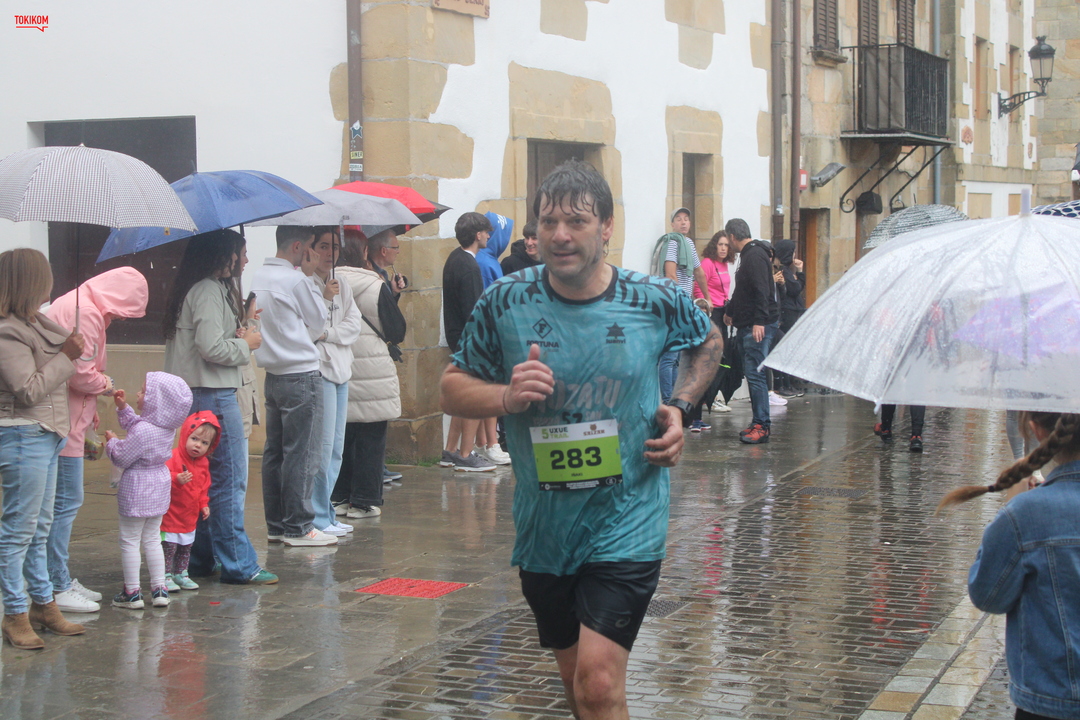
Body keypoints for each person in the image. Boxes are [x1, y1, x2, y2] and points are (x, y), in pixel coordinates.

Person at [441, 160, 722, 720]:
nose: (560, 235)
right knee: (579, 686)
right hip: (545, 529)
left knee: (597, 682)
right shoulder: (506, 301)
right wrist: (506, 396)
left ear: (607, 227)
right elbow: (452, 387)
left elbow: (708, 340)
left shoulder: (651, 297)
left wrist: (681, 407)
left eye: (577, 221)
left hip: (629, 517)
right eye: (548, 222)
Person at [940, 412, 1080, 720]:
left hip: (1054, 698)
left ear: (1036, 430)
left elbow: (989, 596)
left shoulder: (1026, 514)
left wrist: (1014, 508)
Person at [163, 230, 277, 584]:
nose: (245, 260)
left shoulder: (200, 289)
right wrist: (248, 344)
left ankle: (201, 557)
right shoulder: (209, 291)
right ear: (224, 255)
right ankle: (239, 563)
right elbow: (212, 348)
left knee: (201, 481)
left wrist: (246, 324)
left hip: (199, 393)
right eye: (241, 253)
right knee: (227, 482)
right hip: (213, 394)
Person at [44, 266, 148, 613]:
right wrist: (105, 384)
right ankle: (55, 584)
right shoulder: (86, 313)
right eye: (122, 311)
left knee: (58, 503)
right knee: (65, 502)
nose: (119, 318)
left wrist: (91, 407)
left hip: (67, 416)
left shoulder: (79, 304)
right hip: (64, 422)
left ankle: (55, 578)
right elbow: (81, 374)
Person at [0, 248, 86, 649]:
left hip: (47, 434)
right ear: (31, 281)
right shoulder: (7, 331)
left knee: (40, 528)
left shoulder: (36, 323)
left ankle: (43, 604)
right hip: (23, 435)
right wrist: (66, 356)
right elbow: (29, 389)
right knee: (18, 530)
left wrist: (69, 346)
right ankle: (14, 612)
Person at [252, 225, 337, 547]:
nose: (315, 254)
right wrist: (312, 278)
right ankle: (299, 526)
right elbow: (317, 321)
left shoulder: (259, 276)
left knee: (275, 452)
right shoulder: (296, 279)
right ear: (299, 247)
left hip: (274, 374)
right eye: (313, 247)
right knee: (302, 453)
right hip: (301, 374)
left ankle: (276, 524)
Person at [105, 372, 192, 610]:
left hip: (138, 487)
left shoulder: (143, 431)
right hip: (158, 487)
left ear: (157, 402)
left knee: (130, 540)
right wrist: (123, 408)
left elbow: (123, 456)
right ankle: (159, 589)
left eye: (144, 391)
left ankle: (132, 592)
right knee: (153, 539)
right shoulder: (165, 428)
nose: (138, 393)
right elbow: (138, 425)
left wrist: (112, 442)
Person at [332, 232, 403, 519]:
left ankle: (339, 497)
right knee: (371, 438)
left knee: (342, 437)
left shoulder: (327, 284)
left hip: (340, 367)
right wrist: (394, 296)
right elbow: (396, 330)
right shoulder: (374, 285)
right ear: (364, 253)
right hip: (373, 371)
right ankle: (363, 501)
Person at [308, 227, 362, 536]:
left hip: (342, 368)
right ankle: (316, 515)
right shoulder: (307, 284)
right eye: (324, 246)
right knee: (323, 445)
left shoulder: (342, 283)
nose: (330, 253)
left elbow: (353, 324)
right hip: (321, 369)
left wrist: (330, 334)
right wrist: (325, 300)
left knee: (336, 447)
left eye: (335, 247)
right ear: (311, 249)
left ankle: (326, 510)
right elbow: (309, 328)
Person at [439, 212, 497, 473]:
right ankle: (465, 454)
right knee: (474, 397)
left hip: (456, 335)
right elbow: (474, 312)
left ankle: (450, 451)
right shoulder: (470, 267)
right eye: (486, 232)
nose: (488, 236)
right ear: (477, 235)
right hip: (469, 338)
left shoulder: (455, 258)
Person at [723, 218, 780, 444]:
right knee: (753, 373)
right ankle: (758, 422)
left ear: (732, 237)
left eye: (728, 240)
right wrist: (731, 311)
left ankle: (762, 425)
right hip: (749, 322)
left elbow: (761, 290)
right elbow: (742, 290)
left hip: (757, 325)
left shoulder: (754, 255)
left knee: (756, 374)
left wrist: (759, 321)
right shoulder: (749, 255)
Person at [654, 207, 712, 403]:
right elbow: (670, 274)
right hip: (674, 306)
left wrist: (707, 297)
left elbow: (699, 272)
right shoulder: (672, 243)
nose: (683, 222)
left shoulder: (688, 243)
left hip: (684, 306)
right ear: (672, 224)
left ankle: (675, 399)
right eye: (678, 219)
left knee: (678, 357)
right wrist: (681, 302)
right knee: (669, 357)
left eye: (686, 218)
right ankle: (668, 400)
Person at [365, 228, 407, 484]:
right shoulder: (370, 276)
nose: (398, 252)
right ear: (383, 250)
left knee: (378, 414)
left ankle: (378, 467)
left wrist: (394, 293)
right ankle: (374, 470)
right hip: (370, 354)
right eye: (396, 247)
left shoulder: (380, 274)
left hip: (376, 352)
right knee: (372, 415)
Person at [161, 411, 219, 591]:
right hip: (171, 513)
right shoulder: (172, 457)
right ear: (185, 435)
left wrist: (204, 504)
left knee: (186, 546)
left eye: (204, 443)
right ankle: (164, 574)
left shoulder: (203, 463)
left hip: (189, 515)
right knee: (169, 546)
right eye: (194, 439)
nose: (198, 445)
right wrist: (176, 478)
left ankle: (181, 573)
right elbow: (160, 475)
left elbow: (203, 486)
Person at [692, 231, 735, 422]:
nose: (723, 248)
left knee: (721, 358)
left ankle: (712, 396)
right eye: (720, 244)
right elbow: (697, 287)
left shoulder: (724, 264)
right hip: (712, 312)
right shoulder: (708, 263)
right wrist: (706, 304)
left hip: (722, 312)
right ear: (714, 246)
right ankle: (707, 398)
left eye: (726, 245)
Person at [771, 239, 806, 399]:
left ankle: (787, 383)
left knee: (787, 349)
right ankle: (781, 384)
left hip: (792, 312)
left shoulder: (786, 271)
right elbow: (795, 288)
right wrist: (800, 273)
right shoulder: (783, 271)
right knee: (784, 349)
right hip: (787, 314)